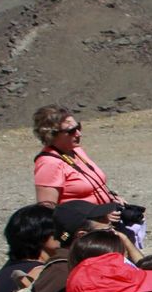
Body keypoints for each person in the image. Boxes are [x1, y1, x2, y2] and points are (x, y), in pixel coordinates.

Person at [31, 105, 144, 249]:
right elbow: (48, 211)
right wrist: (96, 219)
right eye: (71, 131)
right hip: (85, 234)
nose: (78, 133)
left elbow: (92, 184)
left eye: (79, 127)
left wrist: (111, 198)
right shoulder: (49, 163)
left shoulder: (75, 150)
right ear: (52, 134)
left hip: (103, 224)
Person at [32, 203, 141, 292]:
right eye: (106, 228)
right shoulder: (62, 275)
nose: (113, 230)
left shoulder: (85, 264)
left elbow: (146, 272)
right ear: (82, 235)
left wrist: (125, 241)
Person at [0, 204, 61, 292]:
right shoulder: (38, 274)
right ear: (41, 236)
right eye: (59, 230)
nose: (64, 235)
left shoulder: (8, 269)